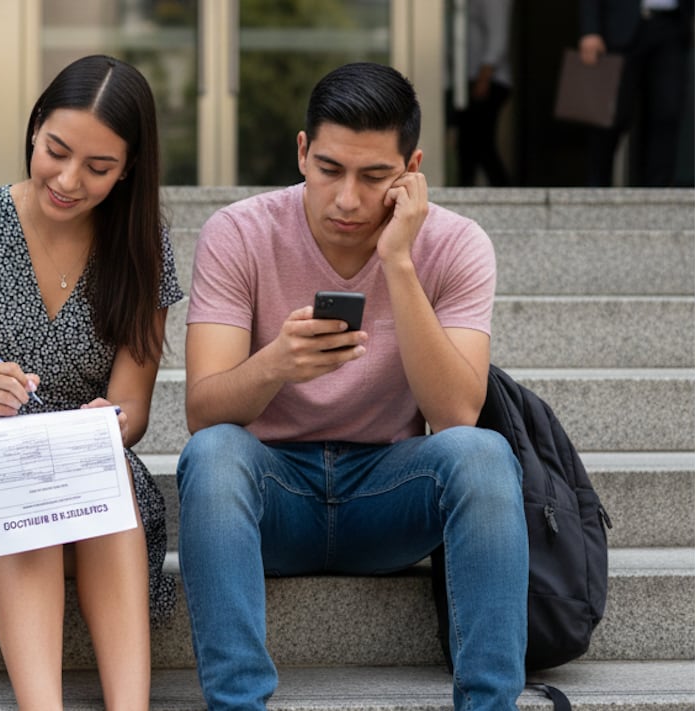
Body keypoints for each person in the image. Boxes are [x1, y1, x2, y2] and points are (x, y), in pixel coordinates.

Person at [177, 62, 528, 710]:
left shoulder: (456, 244)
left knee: (483, 456)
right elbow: (203, 410)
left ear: (411, 168)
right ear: (303, 151)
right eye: (330, 169)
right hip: (273, 491)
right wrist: (276, 363)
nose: (347, 199)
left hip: (388, 495)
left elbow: (456, 413)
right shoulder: (240, 232)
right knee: (214, 454)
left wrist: (397, 259)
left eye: (374, 177)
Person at [0, 54, 182, 710]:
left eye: (99, 167)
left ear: (129, 168)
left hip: (92, 475)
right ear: (33, 130)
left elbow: (134, 409)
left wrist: (107, 421)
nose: (67, 178)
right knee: (33, 487)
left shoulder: (142, 246)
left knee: (96, 476)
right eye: (55, 150)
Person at [578, 0, 693, 186]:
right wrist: (590, 29)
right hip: (618, 27)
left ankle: (658, 192)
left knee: (667, 111)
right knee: (610, 114)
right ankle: (597, 187)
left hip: (672, 25)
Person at [452, 0, 514, 186]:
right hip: (467, 81)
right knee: (468, 145)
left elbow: (498, 38)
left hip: (487, 80)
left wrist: (484, 77)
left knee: (480, 143)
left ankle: (507, 194)